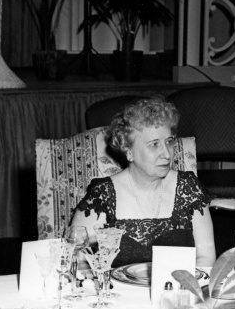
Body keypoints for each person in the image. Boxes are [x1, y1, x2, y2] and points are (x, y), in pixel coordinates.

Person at [71, 97, 216, 267]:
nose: (167, 154)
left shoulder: (189, 188)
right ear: (128, 151)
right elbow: (78, 259)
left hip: (180, 284)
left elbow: (206, 258)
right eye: (154, 144)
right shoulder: (103, 195)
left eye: (169, 142)